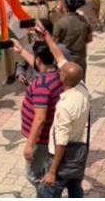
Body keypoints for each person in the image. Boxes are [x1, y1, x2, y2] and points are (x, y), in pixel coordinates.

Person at [36, 30, 90, 198]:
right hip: (79, 153)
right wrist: (46, 36)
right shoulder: (82, 88)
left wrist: (53, 171)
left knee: (49, 194)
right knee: (75, 188)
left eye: (62, 71)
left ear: (64, 78)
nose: (59, 69)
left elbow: (61, 142)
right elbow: (60, 58)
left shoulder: (65, 106)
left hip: (61, 159)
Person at [12, 41, 64, 195]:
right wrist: (21, 50)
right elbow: (38, 64)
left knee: (32, 174)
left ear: (39, 60)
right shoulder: (57, 73)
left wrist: (29, 144)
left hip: (40, 139)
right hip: (49, 135)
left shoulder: (42, 85)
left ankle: (46, 192)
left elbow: (39, 118)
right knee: (43, 168)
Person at [50, 0, 92, 77]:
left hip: (65, 59)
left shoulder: (60, 23)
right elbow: (89, 39)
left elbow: (54, 43)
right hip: (81, 59)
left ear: (65, 6)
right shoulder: (84, 20)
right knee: (81, 85)